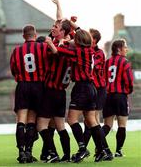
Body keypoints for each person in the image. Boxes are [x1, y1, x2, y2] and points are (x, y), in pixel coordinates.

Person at [47, 23, 112, 163]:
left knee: (72, 119)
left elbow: (56, 50)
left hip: (82, 88)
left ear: (78, 41)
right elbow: (78, 31)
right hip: (91, 88)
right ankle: (103, 151)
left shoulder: (77, 51)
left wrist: (49, 41)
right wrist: (72, 25)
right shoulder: (89, 50)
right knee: (91, 120)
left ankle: (83, 148)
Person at [10, 24, 49, 163]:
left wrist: (21, 79)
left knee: (21, 119)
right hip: (38, 86)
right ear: (35, 34)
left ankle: (21, 152)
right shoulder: (43, 47)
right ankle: (28, 151)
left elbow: (13, 69)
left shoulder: (17, 50)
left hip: (23, 85)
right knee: (32, 120)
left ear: (23, 36)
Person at [37, 19, 72, 163]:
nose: (52, 28)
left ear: (63, 31)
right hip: (61, 93)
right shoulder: (69, 45)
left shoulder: (59, 46)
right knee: (60, 126)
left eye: (55, 27)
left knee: (41, 125)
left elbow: (57, 53)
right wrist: (58, 6)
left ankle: (53, 153)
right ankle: (67, 155)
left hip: (52, 90)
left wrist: (50, 43)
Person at [83, 29, 113, 159]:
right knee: (89, 122)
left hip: (98, 89)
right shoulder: (87, 51)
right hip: (91, 89)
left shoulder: (98, 53)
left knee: (92, 121)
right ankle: (100, 151)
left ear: (94, 40)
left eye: (89, 37)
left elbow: (91, 67)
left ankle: (104, 151)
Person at [102, 39, 134, 157]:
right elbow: (129, 81)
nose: (127, 49)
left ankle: (100, 145)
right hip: (120, 96)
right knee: (122, 125)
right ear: (119, 49)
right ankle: (118, 151)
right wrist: (128, 91)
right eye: (125, 47)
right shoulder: (124, 62)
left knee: (107, 126)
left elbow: (103, 79)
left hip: (108, 96)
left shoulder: (107, 62)